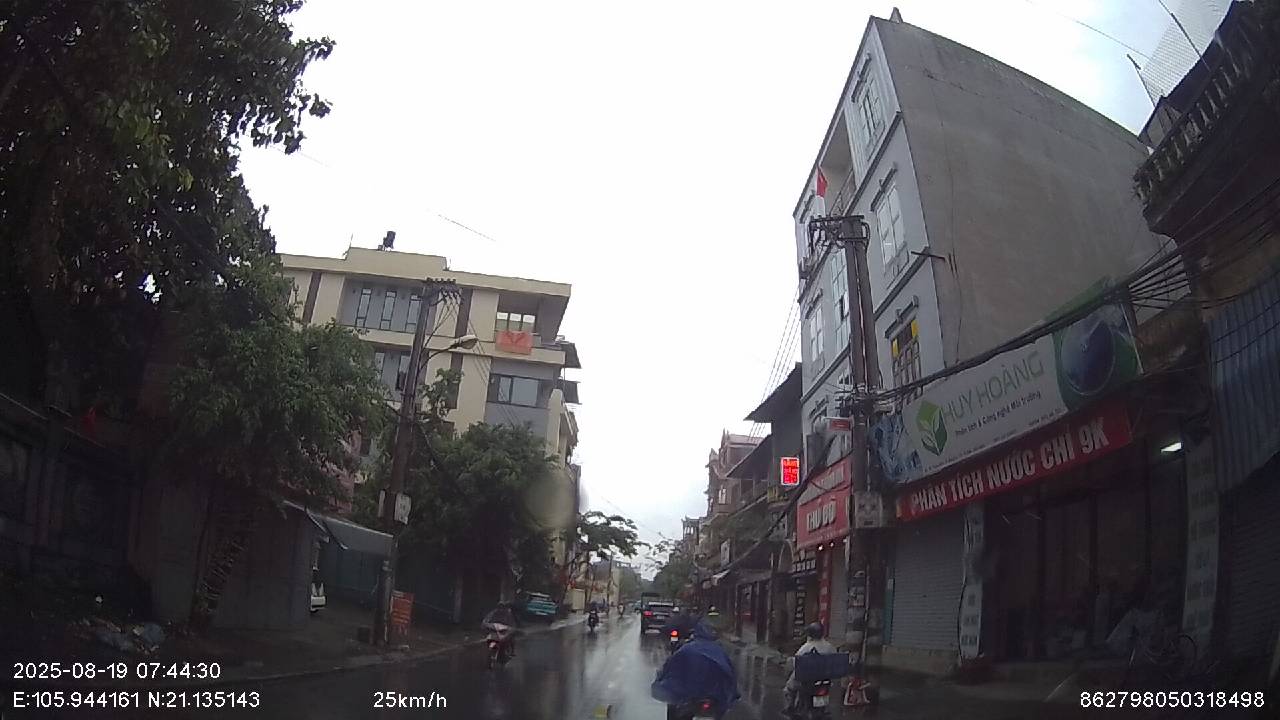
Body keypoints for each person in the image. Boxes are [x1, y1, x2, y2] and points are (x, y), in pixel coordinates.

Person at [651, 620, 740, 719]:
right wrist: (732, 693)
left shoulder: (686, 649)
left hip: (687, 695)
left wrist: (660, 681)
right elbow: (730, 672)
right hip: (713, 695)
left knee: (675, 706)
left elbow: (669, 668)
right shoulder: (719, 651)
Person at [784, 622, 838, 713]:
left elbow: (796, 662)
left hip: (807, 679)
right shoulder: (829, 646)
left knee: (789, 688)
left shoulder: (806, 647)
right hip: (824, 678)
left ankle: (790, 706)